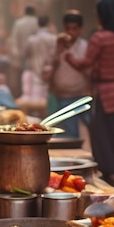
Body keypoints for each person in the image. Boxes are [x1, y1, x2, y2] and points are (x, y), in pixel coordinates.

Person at [65, 0, 114, 188]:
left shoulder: (99, 38)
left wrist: (68, 56)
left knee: (101, 135)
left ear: (101, 16)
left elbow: (85, 64)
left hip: (105, 93)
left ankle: (110, 172)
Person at [47, 10, 90, 138]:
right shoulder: (56, 45)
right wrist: (58, 51)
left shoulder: (85, 47)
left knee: (95, 129)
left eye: (74, 29)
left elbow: (86, 69)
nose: (71, 32)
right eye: (68, 28)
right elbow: (50, 68)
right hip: (64, 96)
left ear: (81, 29)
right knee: (71, 134)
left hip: (82, 95)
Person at [21, 15, 56, 113]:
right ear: (49, 24)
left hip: (35, 73)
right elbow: (56, 56)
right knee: (46, 103)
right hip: (49, 74)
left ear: (38, 24)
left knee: (34, 103)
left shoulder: (31, 39)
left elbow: (25, 54)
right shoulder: (53, 38)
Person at [8, 6, 38, 97]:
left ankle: (20, 100)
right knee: (33, 81)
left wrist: (16, 56)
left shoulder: (18, 23)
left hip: (21, 57)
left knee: (20, 81)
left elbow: (14, 41)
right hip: (35, 57)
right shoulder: (37, 22)